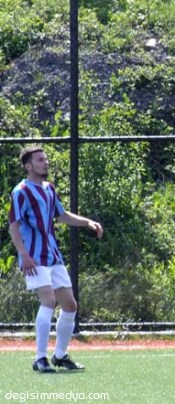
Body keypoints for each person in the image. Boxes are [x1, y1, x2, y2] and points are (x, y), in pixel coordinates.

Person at [8, 145, 104, 373]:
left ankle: (60, 355)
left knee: (70, 305)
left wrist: (87, 222)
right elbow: (14, 226)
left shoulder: (49, 188)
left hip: (53, 255)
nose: (46, 162)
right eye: (40, 160)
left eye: (46, 159)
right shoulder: (21, 191)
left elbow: (61, 216)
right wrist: (24, 254)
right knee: (49, 301)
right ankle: (40, 358)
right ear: (28, 166)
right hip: (34, 257)